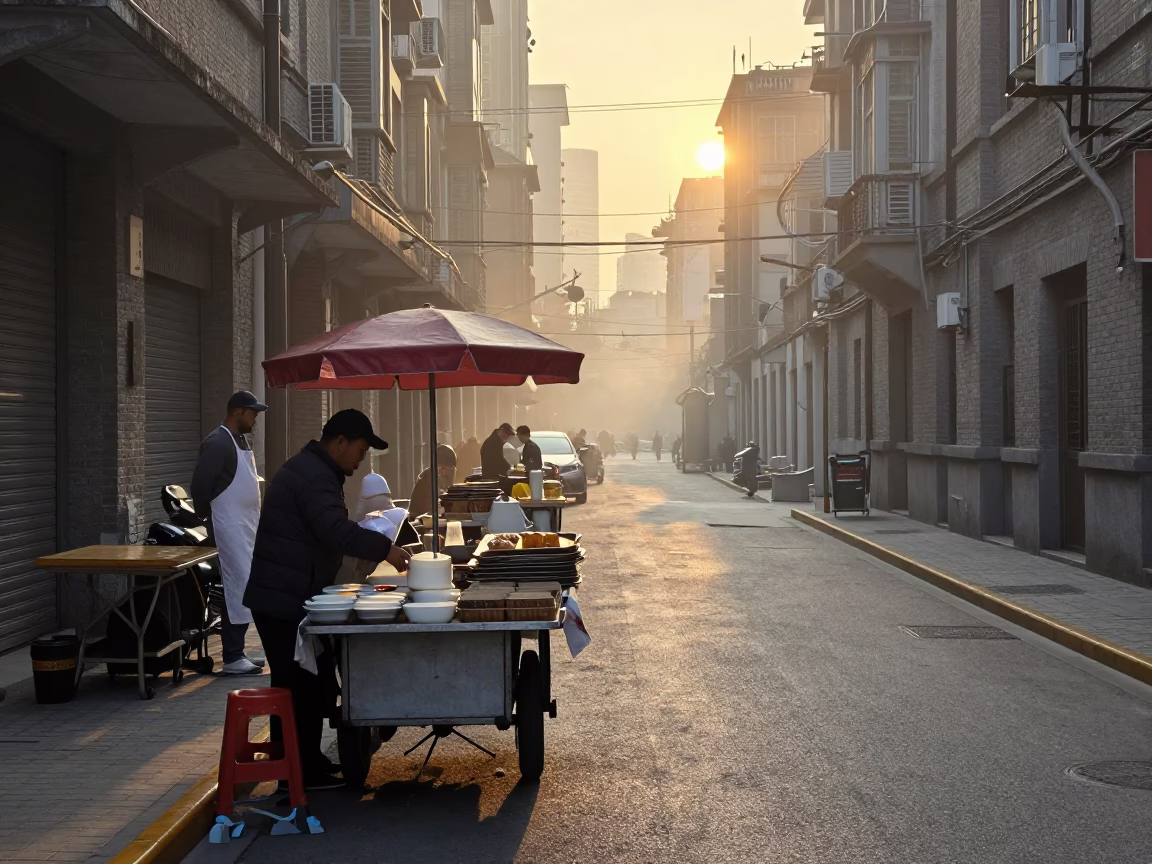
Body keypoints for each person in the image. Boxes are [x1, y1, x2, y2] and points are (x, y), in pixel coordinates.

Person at [244, 408, 411, 789]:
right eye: (360, 450)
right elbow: (334, 530)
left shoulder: (315, 469)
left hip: (291, 593)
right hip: (281, 598)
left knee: (310, 681)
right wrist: (385, 547)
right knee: (295, 685)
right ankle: (293, 776)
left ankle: (306, 762)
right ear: (339, 442)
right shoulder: (315, 476)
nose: (361, 459)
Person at [191, 390, 268, 676]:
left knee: (243, 588)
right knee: (238, 589)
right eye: (253, 414)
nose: (256, 419)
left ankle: (238, 652)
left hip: (244, 526)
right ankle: (233, 657)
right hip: (228, 527)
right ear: (238, 412)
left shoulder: (237, 440)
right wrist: (211, 519)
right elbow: (200, 488)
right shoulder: (218, 442)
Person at [408, 444, 458, 518]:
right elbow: (423, 508)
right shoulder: (426, 481)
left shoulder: (444, 479)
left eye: (451, 470)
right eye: (442, 469)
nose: (446, 473)